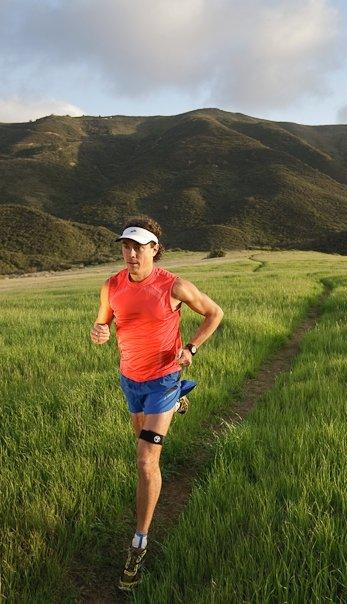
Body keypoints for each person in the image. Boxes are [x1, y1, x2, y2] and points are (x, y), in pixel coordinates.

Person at [90, 215, 224, 590]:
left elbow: (215, 313)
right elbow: (103, 327)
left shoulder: (174, 286)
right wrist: (99, 333)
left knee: (146, 459)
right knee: (141, 440)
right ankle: (177, 402)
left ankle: (139, 541)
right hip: (130, 379)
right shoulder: (111, 286)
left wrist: (191, 347)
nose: (130, 253)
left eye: (137, 246)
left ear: (154, 249)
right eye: (125, 246)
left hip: (164, 376)